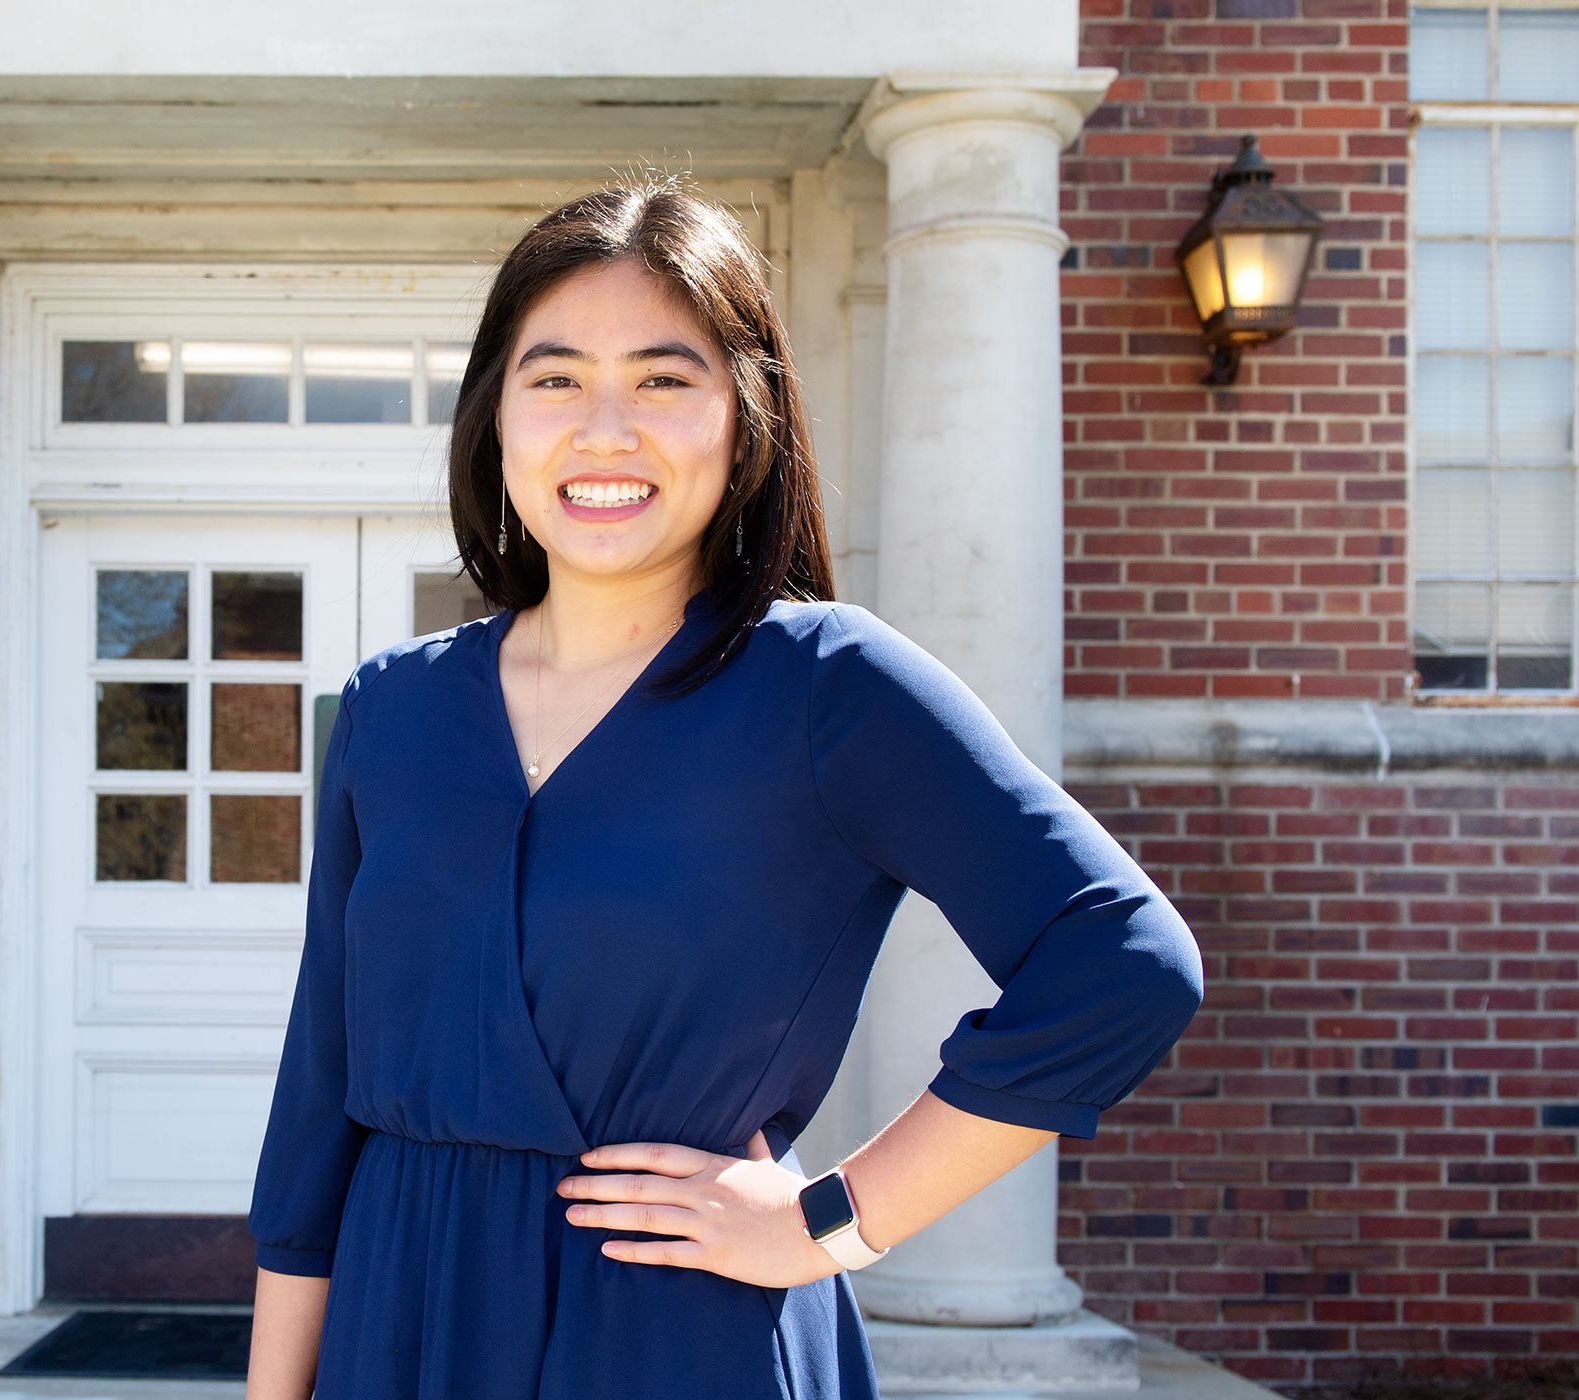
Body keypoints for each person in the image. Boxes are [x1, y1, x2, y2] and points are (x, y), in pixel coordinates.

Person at [242, 178, 1206, 1400]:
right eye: (554, 379)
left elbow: (1123, 959)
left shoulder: (828, 687)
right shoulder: (393, 710)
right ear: (495, 417)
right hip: (402, 1329)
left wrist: (831, 1220)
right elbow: (319, 1103)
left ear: (746, 421)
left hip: (674, 1332)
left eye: (663, 377)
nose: (604, 430)